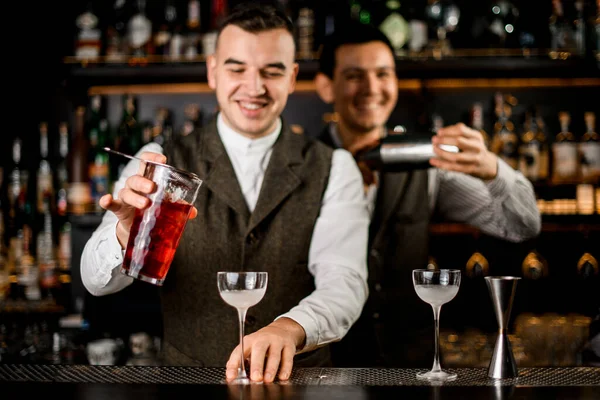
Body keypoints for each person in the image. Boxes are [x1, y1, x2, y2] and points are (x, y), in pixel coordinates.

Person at [80, 3, 370, 383]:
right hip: (189, 384)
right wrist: (124, 236)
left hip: (298, 386)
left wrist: (290, 327)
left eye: (273, 70)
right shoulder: (157, 162)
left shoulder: (335, 167)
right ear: (213, 71)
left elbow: (345, 281)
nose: (255, 87)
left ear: (293, 77)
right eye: (237, 68)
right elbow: (94, 281)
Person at [313, 20, 542, 367]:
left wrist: (493, 170)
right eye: (354, 75)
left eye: (383, 74)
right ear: (326, 86)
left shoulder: (426, 164)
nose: (371, 88)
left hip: (410, 368)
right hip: (322, 369)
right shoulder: (300, 165)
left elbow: (522, 225)